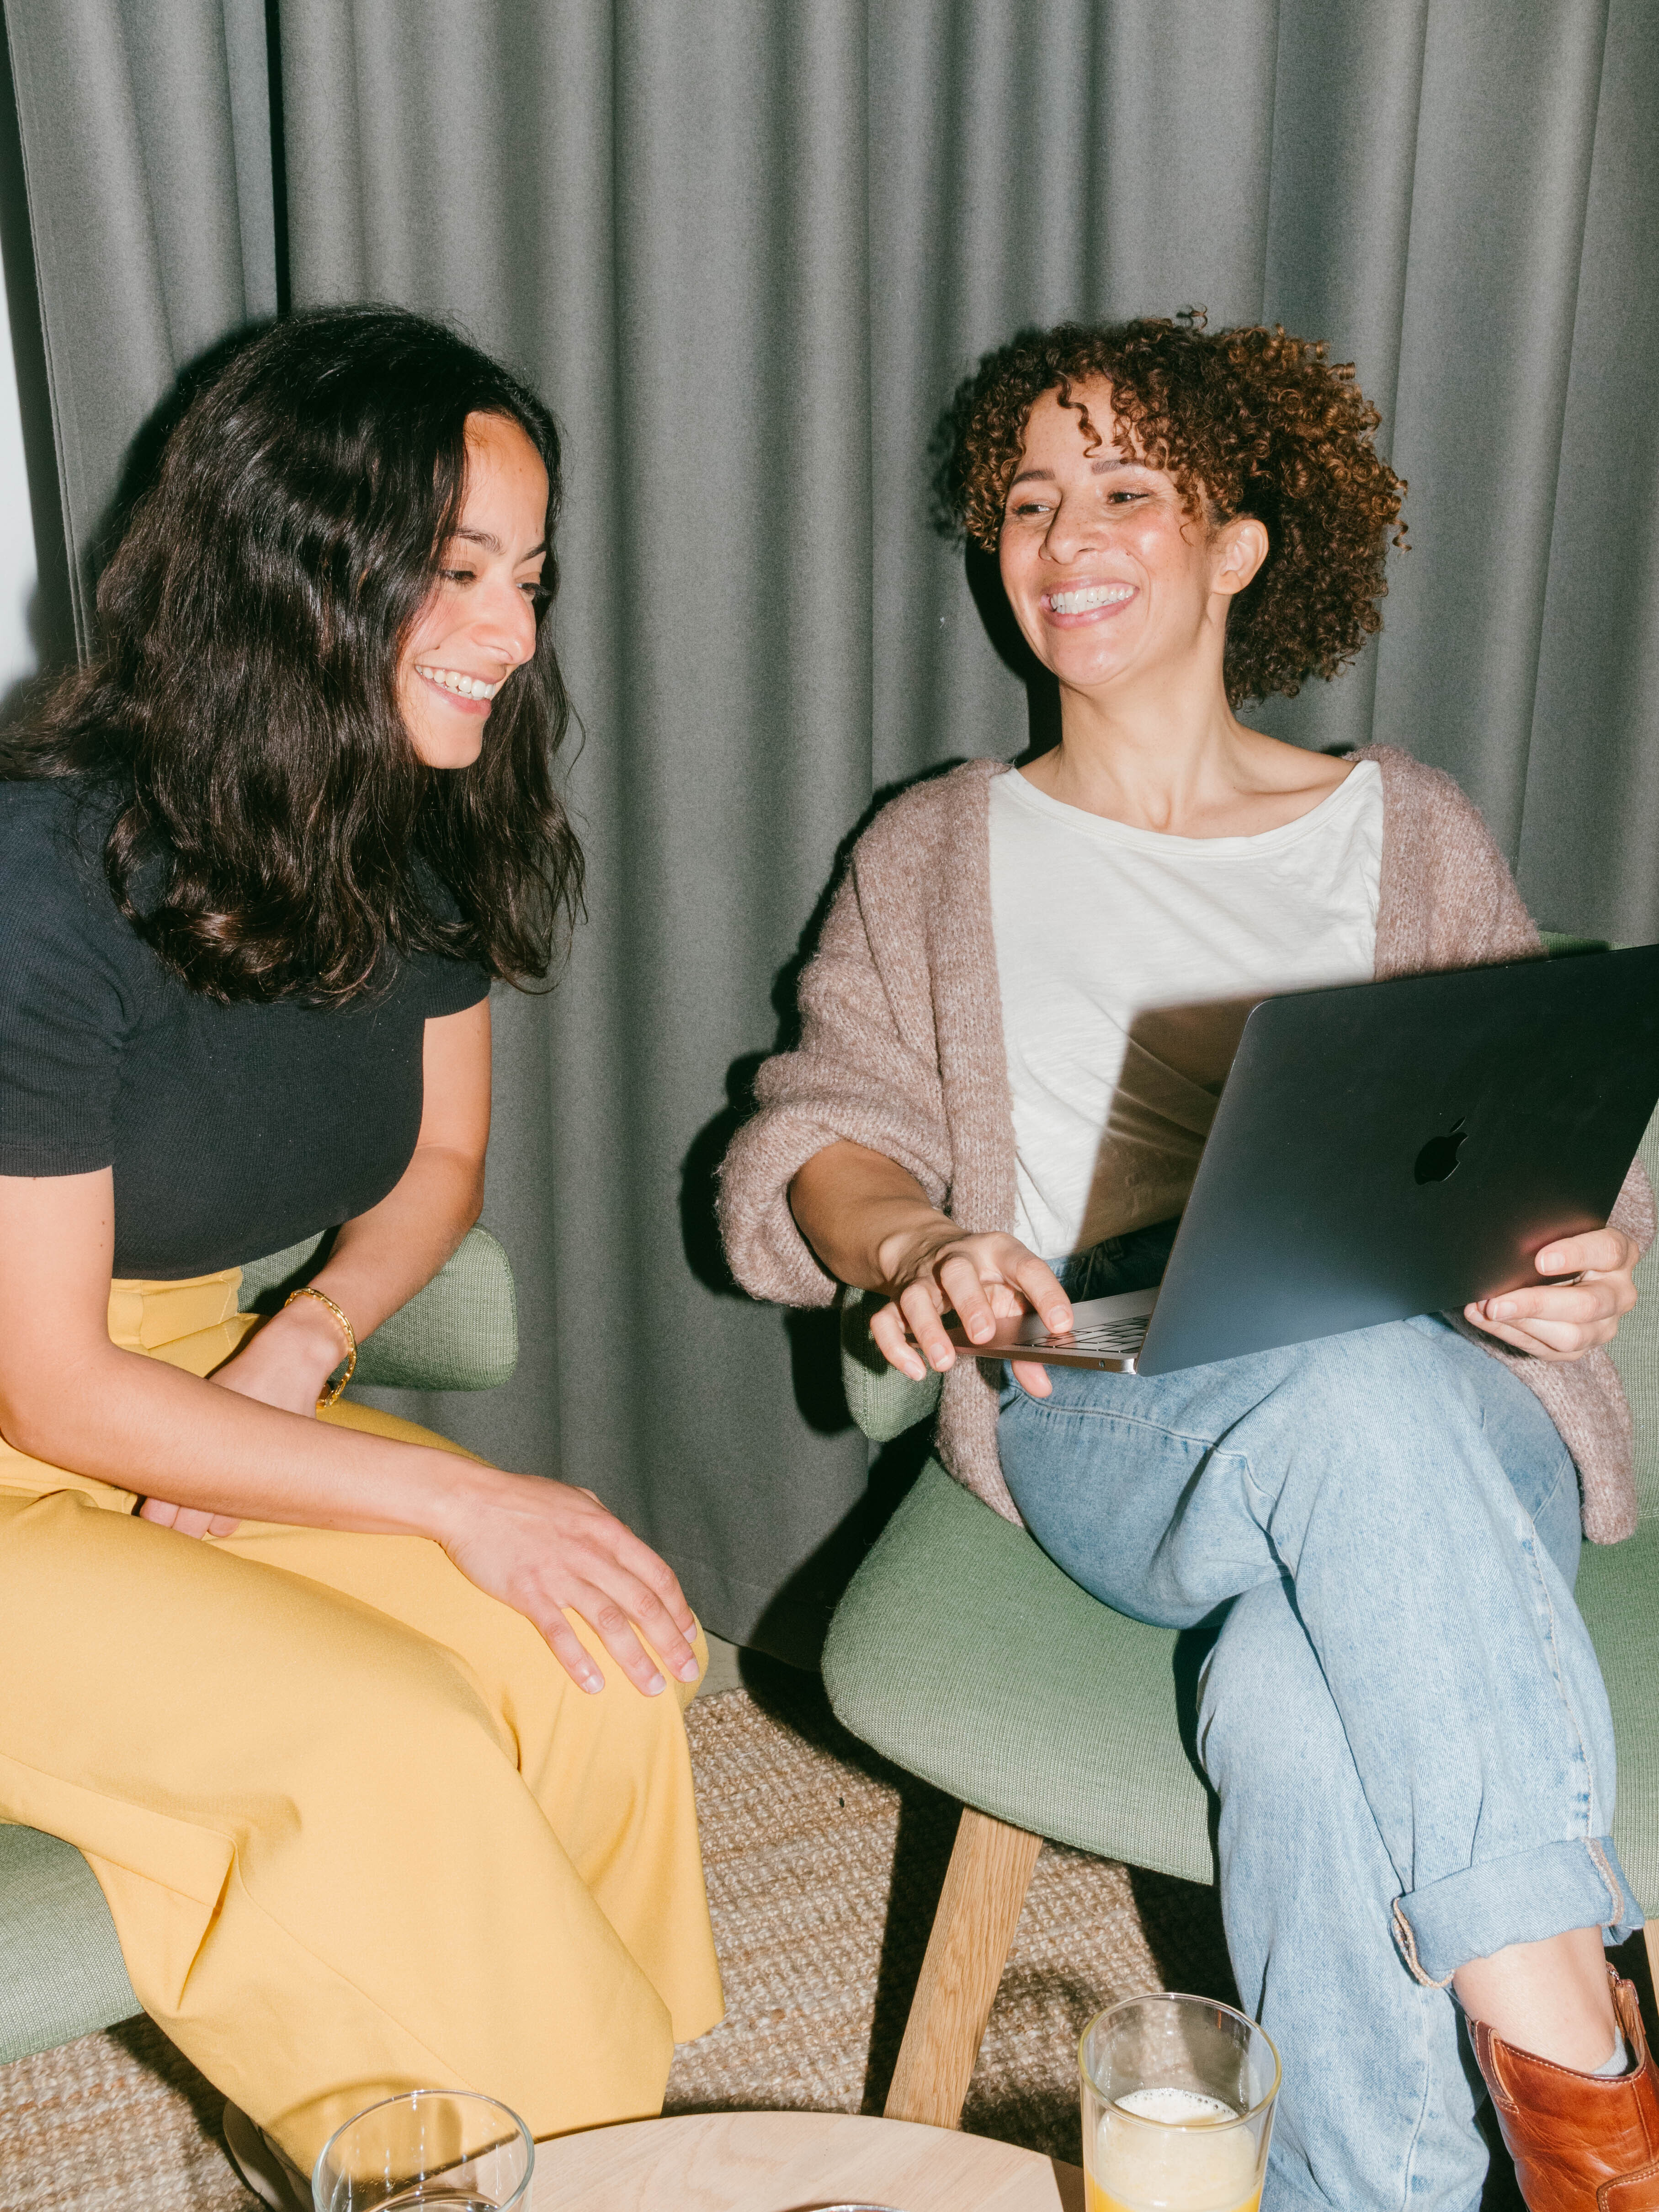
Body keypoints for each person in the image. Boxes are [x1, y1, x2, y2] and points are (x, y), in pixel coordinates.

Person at [720, 314, 1657, 2212]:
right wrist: (907, 1234)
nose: (1062, 536)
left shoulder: (1407, 825)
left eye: (1125, 490)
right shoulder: (935, 849)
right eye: (1025, 502)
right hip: (1116, 1411)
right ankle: (1572, 2045)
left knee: (1294, 1691)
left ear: (1238, 544)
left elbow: (1535, 1156)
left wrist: (1563, 1265)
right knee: (1325, 1477)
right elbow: (808, 1125)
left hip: (1443, 1407)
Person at [0, 307, 722, 2196]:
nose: (511, 628)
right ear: (287, 576)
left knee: (596, 1658)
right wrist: (458, 1506)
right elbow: (54, 1382)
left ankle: (571, 2146)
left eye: (530, 573)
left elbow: (444, 1155)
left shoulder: (399, 818)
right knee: (388, 1744)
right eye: (457, 569)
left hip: (181, 1392)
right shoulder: (38, 881)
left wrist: (294, 1347)